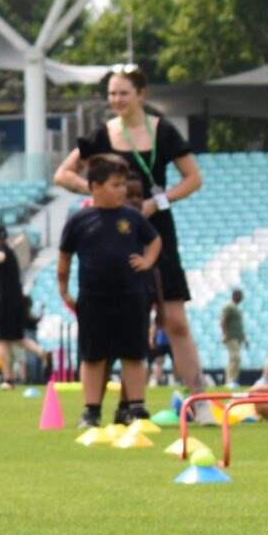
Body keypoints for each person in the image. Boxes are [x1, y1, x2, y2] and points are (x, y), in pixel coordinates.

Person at [53, 68, 206, 407]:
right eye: (111, 93)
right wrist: (97, 193)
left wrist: (157, 202)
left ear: (142, 94)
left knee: (175, 321)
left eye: (123, 93)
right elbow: (62, 174)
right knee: (115, 323)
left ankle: (200, 401)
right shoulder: (102, 134)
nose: (116, 100)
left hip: (155, 230)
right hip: (112, 239)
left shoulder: (163, 131)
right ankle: (104, 409)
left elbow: (193, 178)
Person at [56, 155, 162, 429]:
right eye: (115, 185)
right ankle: (91, 410)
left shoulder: (132, 217)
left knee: (134, 354)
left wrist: (147, 261)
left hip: (132, 296)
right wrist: (63, 288)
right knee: (93, 355)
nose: (123, 190)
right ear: (95, 186)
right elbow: (65, 256)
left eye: (123, 184)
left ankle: (135, 406)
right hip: (93, 299)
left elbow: (155, 241)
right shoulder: (80, 220)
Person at [0, 224, 42, 383]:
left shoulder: (2, 250)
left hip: (6, 301)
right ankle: (42, 352)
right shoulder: (10, 253)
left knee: (3, 340)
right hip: (16, 301)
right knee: (17, 338)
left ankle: (7, 378)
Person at [219, 287, 248, 388]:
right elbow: (223, 320)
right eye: (240, 296)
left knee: (235, 359)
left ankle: (233, 381)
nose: (241, 298)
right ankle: (230, 381)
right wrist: (224, 334)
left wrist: (245, 338)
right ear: (235, 295)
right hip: (231, 336)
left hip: (237, 337)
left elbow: (239, 325)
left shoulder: (236, 308)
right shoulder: (229, 306)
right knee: (235, 357)